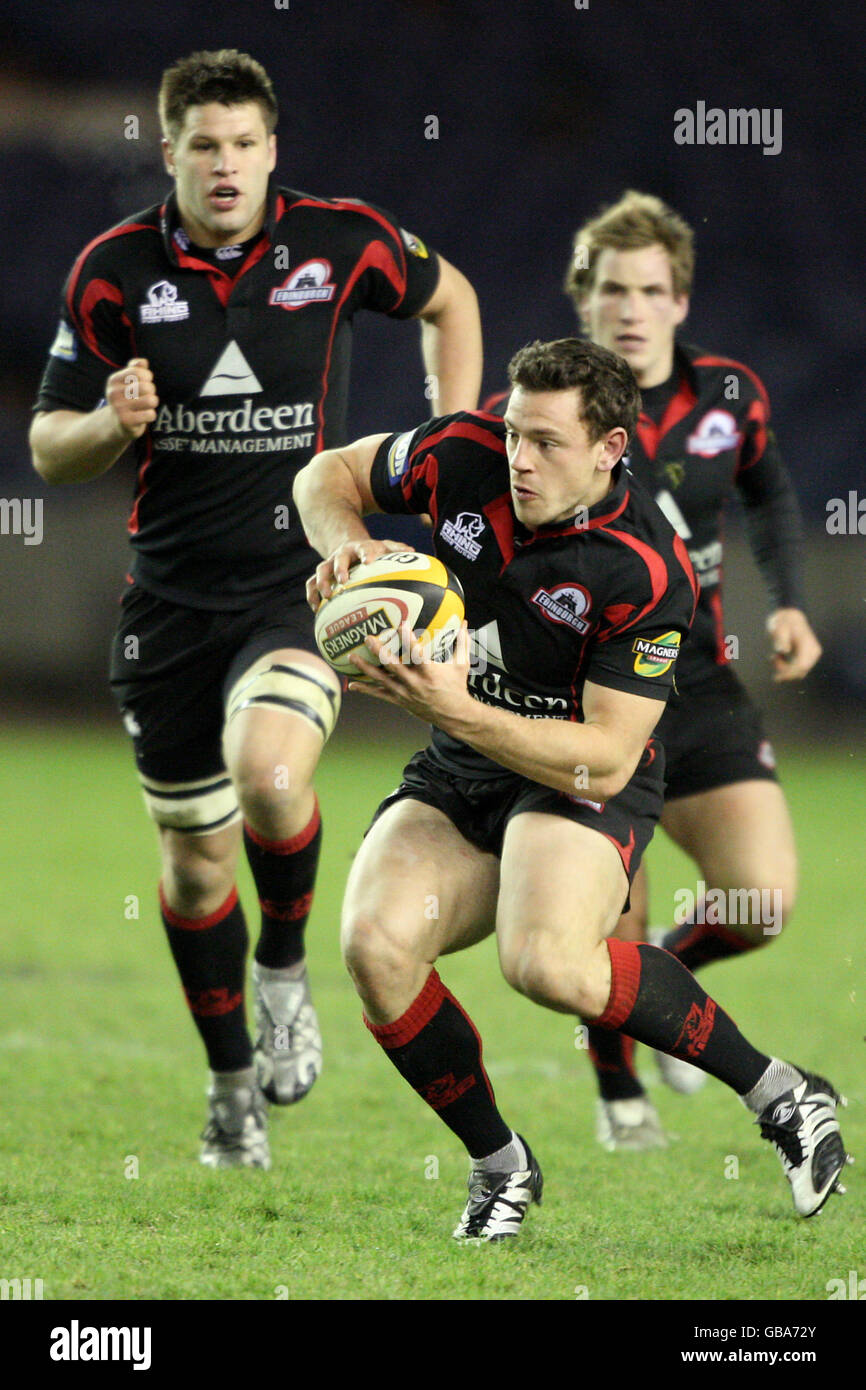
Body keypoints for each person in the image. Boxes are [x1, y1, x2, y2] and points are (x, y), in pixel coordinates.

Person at [29, 48, 482, 1170]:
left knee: (273, 773)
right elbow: (48, 445)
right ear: (170, 150)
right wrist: (108, 420)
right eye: (202, 146)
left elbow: (451, 297)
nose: (224, 165)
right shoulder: (112, 270)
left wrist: (447, 442)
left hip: (298, 587)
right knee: (194, 866)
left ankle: (284, 965)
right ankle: (231, 1080)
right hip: (167, 607)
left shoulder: (337, 242)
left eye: (243, 145)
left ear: (271, 151)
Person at [294, 337, 849, 1240]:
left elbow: (606, 755)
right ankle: (499, 1165)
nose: (518, 458)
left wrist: (457, 707)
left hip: (580, 776)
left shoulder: (645, 568)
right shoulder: (462, 451)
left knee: (545, 962)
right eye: (515, 434)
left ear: (609, 450)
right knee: (374, 944)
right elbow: (327, 473)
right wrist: (351, 550)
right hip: (463, 765)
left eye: (546, 443)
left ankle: (783, 1096)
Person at [487, 191, 822, 1152]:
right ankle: (619, 1096)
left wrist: (788, 598)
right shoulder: (545, 417)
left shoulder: (729, 399)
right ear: (580, 299)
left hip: (702, 683)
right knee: (603, 919)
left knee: (764, 899)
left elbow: (769, 487)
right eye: (608, 288)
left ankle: (678, 966)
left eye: (650, 289)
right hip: (589, 688)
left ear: (680, 300)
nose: (629, 308)